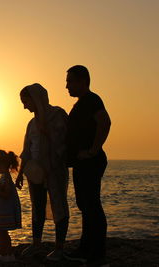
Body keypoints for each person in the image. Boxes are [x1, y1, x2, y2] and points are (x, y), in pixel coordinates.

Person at [15, 83, 69, 261]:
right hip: (35, 173)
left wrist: (48, 135)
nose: (24, 106)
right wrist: (21, 173)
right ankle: (36, 244)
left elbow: (66, 142)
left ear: (36, 98)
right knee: (37, 208)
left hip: (55, 171)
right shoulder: (31, 124)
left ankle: (59, 247)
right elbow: (27, 150)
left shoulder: (58, 115)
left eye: (26, 101)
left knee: (59, 206)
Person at [65, 65, 111, 267]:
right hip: (81, 162)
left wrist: (93, 150)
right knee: (85, 205)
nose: (67, 86)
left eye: (70, 81)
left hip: (90, 161)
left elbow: (105, 122)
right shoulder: (80, 104)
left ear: (83, 81)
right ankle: (85, 248)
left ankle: (97, 254)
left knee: (92, 206)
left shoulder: (92, 100)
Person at [0, 150, 22, 262]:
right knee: (2, 231)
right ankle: (8, 254)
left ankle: (5, 254)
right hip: (3, 211)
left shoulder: (6, 178)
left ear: (1, 165)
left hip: (5, 212)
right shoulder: (5, 177)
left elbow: (7, 194)